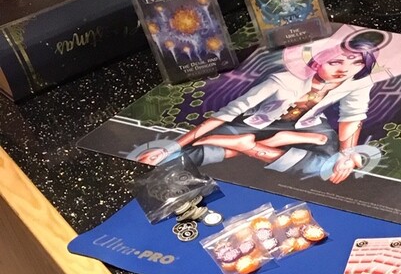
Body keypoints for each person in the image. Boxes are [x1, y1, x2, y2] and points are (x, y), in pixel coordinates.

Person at [133, 45, 380, 184]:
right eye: (335, 62)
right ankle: (256, 141)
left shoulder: (358, 83)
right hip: (257, 123)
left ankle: (249, 146)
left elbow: (352, 116)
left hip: (309, 125)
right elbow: (229, 112)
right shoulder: (282, 80)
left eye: (356, 63)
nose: (345, 69)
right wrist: (170, 148)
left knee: (329, 167)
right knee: (199, 151)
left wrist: (347, 154)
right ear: (316, 61)